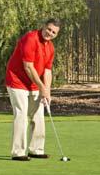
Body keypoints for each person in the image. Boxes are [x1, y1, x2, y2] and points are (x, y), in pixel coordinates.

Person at [4, 18, 60, 161]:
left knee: (38, 115)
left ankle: (36, 149)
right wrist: (42, 87)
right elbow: (28, 66)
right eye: (48, 29)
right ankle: (18, 152)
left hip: (34, 83)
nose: (50, 33)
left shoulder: (50, 47)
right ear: (43, 26)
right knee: (22, 114)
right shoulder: (30, 39)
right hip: (17, 80)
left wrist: (47, 90)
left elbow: (47, 71)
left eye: (54, 32)